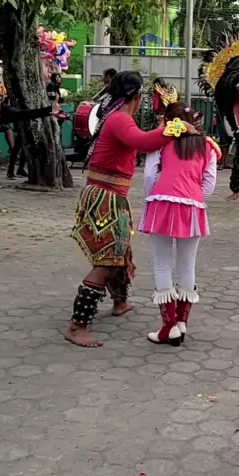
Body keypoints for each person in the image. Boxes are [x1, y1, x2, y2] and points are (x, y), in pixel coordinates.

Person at [66, 71, 199, 348]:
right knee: (106, 261)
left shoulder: (118, 118)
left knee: (120, 254)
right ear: (138, 97)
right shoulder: (120, 120)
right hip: (105, 196)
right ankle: (77, 326)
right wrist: (177, 127)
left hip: (112, 195)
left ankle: (120, 302)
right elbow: (144, 142)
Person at [139, 102, 220, 347]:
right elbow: (209, 184)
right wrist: (192, 196)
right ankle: (182, 323)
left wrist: (153, 197)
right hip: (193, 206)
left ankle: (169, 326)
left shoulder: (161, 143)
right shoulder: (208, 146)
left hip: (161, 202)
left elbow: (149, 176)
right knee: (187, 265)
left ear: (167, 122)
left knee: (162, 264)